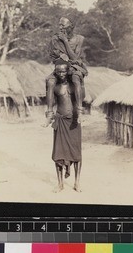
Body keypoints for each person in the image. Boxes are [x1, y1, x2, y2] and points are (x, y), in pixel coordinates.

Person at [44, 59, 82, 193]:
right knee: (58, 153)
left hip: (74, 121)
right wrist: (49, 114)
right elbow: (50, 100)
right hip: (60, 121)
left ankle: (77, 182)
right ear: (55, 71)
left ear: (68, 71)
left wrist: (80, 112)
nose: (61, 74)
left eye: (64, 71)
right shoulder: (54, 86)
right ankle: (60, 184)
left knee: (76, 154)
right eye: (58, 71)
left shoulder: (74, 84)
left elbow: (80, 96)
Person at [45, 15, 88, 127]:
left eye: (63, 25)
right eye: (59, 25)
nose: (60, 27)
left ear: (71, 26)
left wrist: (65, 42)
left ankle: (80, 112)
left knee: (75, 78)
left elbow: (74, 58)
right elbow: (53, 56)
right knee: (50, 81)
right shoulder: (55, 38)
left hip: (74, 66)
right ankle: (49, 114)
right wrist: (60, 55)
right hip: (61, 67)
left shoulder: (79, 39)